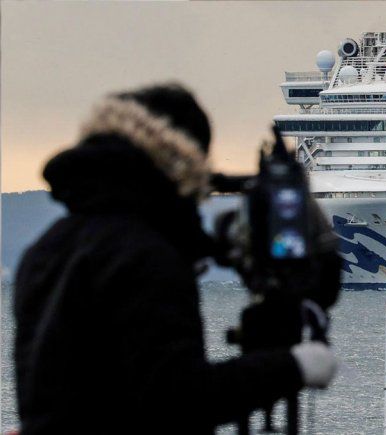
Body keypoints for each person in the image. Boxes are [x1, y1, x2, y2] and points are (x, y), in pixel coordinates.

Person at [13, 83, 336, 434]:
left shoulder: (48, 248)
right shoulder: (143, 255)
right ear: (182, 161)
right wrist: (293, 366)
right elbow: (177, 398)